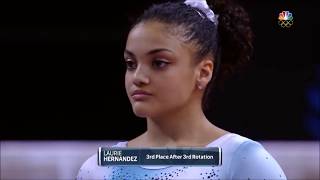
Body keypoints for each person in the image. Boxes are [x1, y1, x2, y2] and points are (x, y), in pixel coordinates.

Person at [76, 0, 287, 179]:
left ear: (203, 72)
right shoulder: (101, 167)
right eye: (131, 63)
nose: (138, 77)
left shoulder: (242, 160)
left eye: (159, 63)